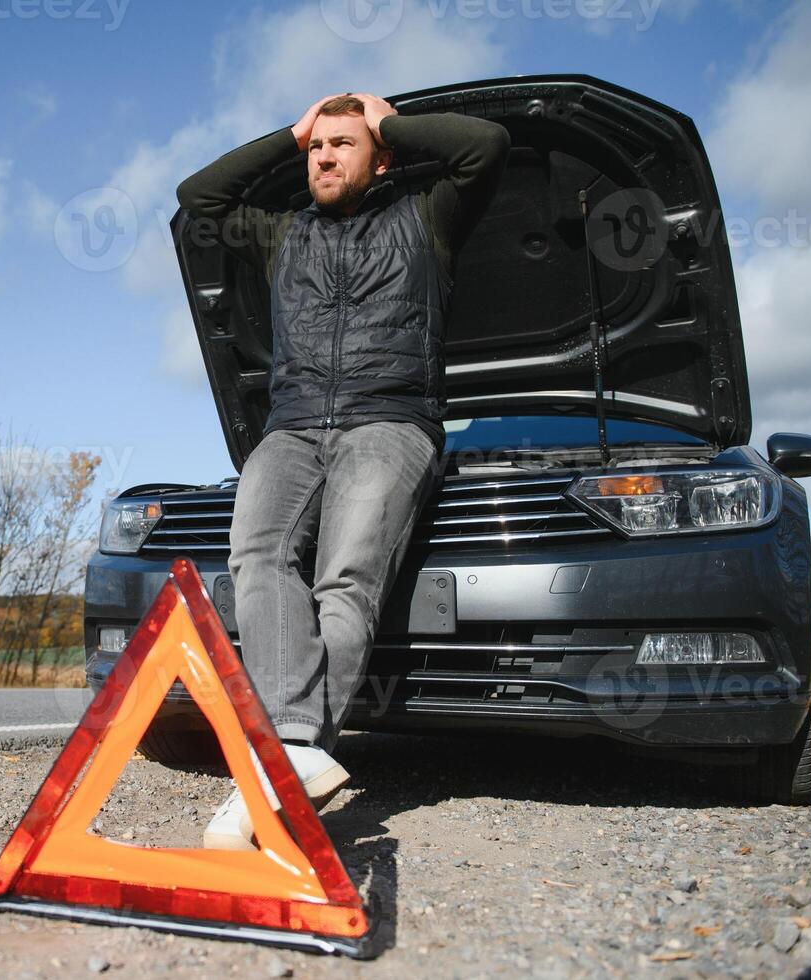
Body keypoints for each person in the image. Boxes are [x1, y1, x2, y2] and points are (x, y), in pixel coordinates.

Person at [175, 93, 510, 849]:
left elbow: (484, 145)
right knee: (257, 557)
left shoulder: (427, 217)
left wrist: (385, 118)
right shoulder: (279, 231)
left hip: (387, 420)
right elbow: (198, 196)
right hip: (291, 426)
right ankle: (295, 748)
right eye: (314, 148)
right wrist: (287, 132)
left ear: (380, 157)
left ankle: (276, 769)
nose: (322, 157)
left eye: (341, 144)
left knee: (344, 579)